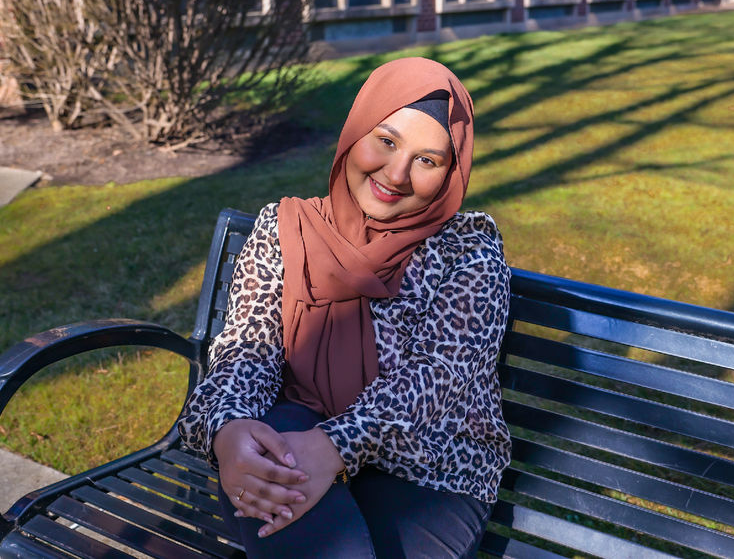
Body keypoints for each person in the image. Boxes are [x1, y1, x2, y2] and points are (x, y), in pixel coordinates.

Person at [177, 57, 512, 558]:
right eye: (387, 140)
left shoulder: (468, 250)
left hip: (430, 467)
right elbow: (247, 348)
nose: (396, 174)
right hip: (296, 429)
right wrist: (226, 432)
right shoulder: (285, 230)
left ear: (451, 172)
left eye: (428, 160)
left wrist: (336, 445)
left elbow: (439, 377)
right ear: (356, 132)